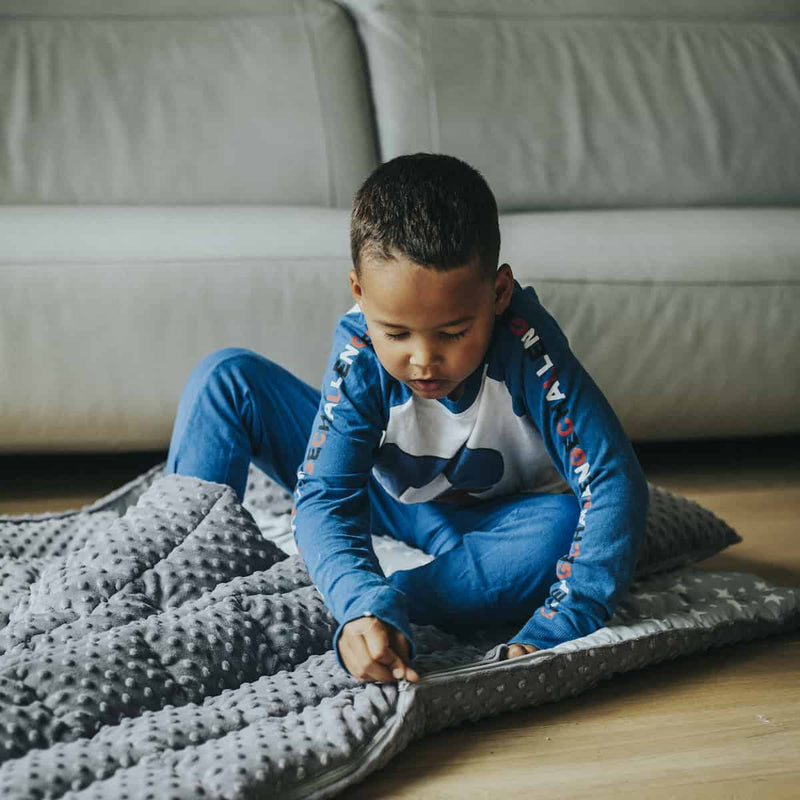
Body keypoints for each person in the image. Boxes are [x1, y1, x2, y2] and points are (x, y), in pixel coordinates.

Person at [166, 153, 649, 685]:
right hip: (384, 493)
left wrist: (558, 625)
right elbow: (327, 496)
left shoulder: (526, 344)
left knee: (562, 532)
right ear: (359, 293)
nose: (422, 360)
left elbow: (611, 481)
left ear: (498, 294)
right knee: (227, 378)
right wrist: (356, 598)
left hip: (499, 517)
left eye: (452, 333)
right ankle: (178, 572)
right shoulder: (359, 352)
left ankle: (390, 602)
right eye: (396, 333)